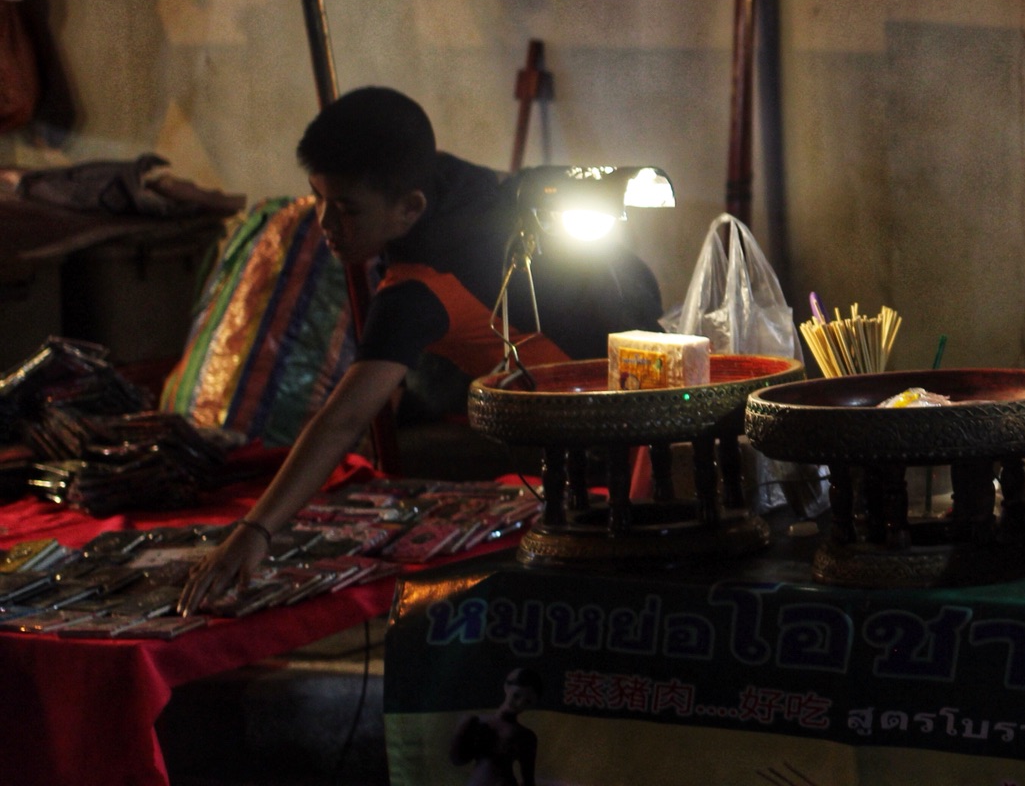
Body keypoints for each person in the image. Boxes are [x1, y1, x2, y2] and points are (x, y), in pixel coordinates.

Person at [181, 87, 663, 611]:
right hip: (634, 373)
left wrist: (256, 530)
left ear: (410, 209)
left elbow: (342, 420)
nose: (324, 223)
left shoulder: (418, 288)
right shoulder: (458, 182)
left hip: (627, 436)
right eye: (317, 197)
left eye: (346, 209)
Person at [450, 667, 541, 786]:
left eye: (527, 702)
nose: (519, 703)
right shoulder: (477, 722)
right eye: (516, 695)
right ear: (507, 688)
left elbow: (528, 780)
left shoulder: (526, 736)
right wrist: (462, 730)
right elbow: (457, 759)